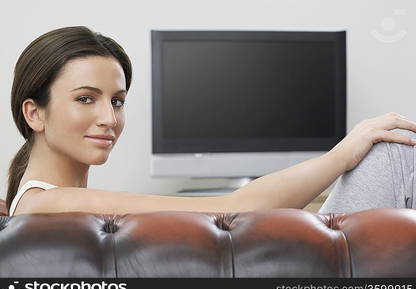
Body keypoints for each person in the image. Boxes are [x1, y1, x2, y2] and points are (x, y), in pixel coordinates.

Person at [6, 26, 416, 217]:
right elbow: (235, 208)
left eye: (117, 101)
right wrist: (344, 152)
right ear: (34, 113)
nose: (108, 118)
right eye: (85, 99)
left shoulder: (41, 202)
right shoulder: (50, 204)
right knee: (393, 155)